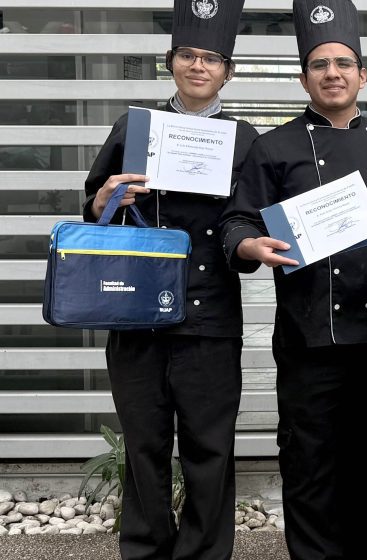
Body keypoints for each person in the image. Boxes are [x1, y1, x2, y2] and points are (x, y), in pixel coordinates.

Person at [218, 1, 367, 557]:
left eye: (344, 63)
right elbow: (237, 218)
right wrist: (250, 245)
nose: (333, 73)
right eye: (320, 64)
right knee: (307, 460)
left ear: (362, 75)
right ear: (303, 77)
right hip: (308, 337)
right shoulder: (274, 147)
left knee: (363, 458)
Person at [82, 1, 257, 558]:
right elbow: (92, 207)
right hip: (135, 316)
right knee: (145, 447)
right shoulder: (133, 127)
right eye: (188, 55)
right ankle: (144, 549)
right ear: (171, 61)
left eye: (211, 58)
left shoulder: (246, 139)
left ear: (227, 70)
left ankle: (205, 552)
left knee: (211, 450)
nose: (198, 66)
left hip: (210, 320)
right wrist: (103, 200)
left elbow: (252, 220)